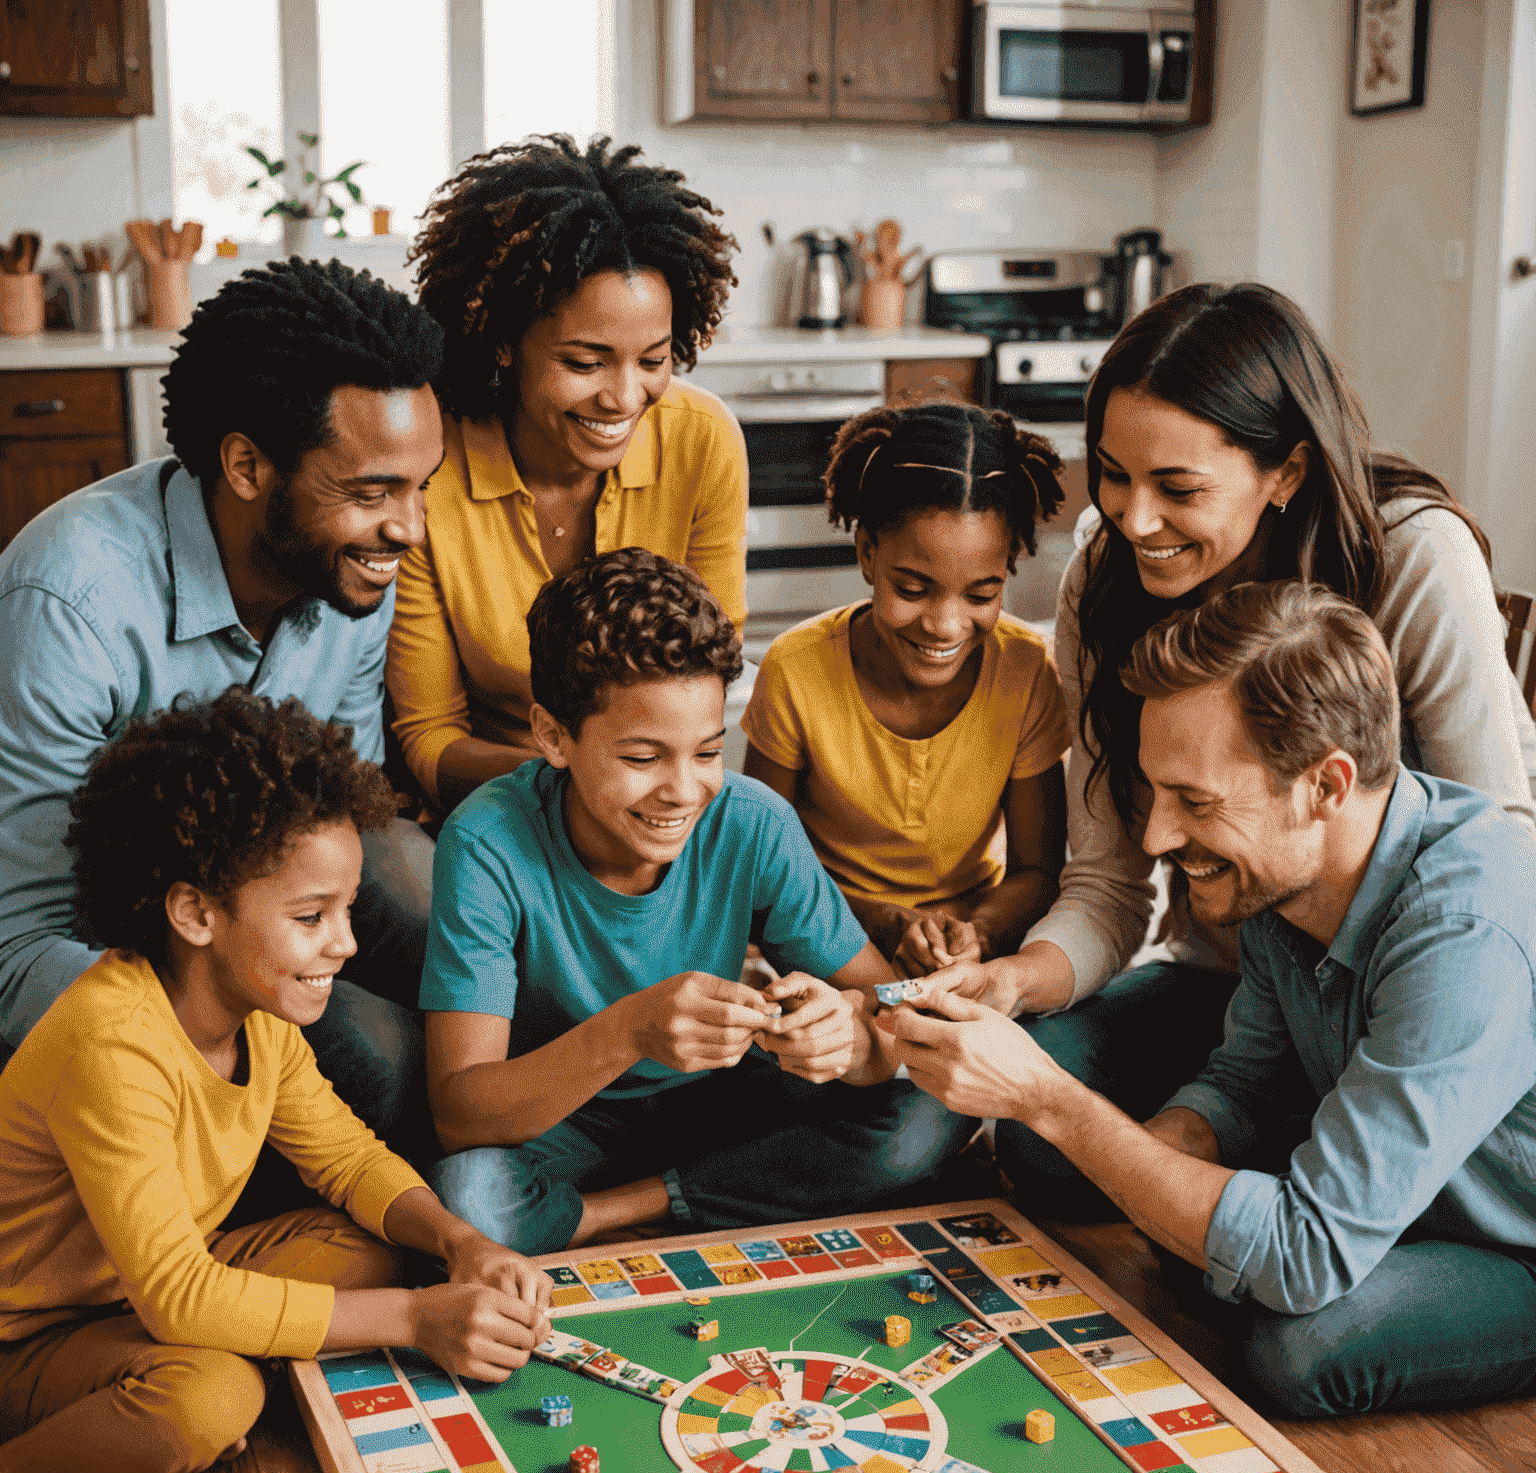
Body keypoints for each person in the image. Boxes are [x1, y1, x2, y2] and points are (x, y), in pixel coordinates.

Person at [919, 281, 1536, 1176]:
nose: (1133, 520)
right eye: (1114, 474)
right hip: (1225, 980)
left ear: (1284, 471)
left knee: (1289, 1226)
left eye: (1178, 488)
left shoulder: (1409, 557)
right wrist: (1013, 979)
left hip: (1390, 997)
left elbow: (1500, 855)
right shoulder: (1104, 574)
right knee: (1036, 1146)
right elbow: (1109, 886)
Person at [887, 581, 1536, 1418]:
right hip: (1403, 1193)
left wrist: (1050, 1102)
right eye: (1159, 793)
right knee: (1192, 1231)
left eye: (1194, 802)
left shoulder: (1465, 929)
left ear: (1326, 787)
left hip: (1512, 1242)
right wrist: (1143, 1158)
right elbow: (1244, 1085)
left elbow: (1301, 1254)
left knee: (1296, 1348)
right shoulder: (1282, 876)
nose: (1156, 837)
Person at [0, 688, 551, 1473]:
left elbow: (347, 1159)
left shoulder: (258, 1015)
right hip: (32, 1335)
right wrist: (414, 1319)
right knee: (212, 1400)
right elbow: (178, 1300)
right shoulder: (109, 1040)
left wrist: (461, 1241)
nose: (347, 944)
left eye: (344, 910)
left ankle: (252, 1360)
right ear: (196, 913)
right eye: (310, 917)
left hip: (148, 1287)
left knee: (370, 1247)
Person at [0, 257, 443, 1140]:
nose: (409, 529)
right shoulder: (70, 601)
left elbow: (346, 825)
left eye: (420, 485)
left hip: (269, 906)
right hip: (121, 947)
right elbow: (19, 945)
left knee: (444, 910)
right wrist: (221, 1020)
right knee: (382, 1055)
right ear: (245, 463)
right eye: (370, 493)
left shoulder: (355, 569)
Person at [421, 548, 973, 1254]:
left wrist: (851, 1034)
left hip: (722, 1102)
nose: (685, 791)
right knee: (466, 1200)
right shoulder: (487, 843)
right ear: (553, 736)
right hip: (565, 1121)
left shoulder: (752, 821)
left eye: (708, 752)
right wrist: (629, 1032)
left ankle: (614, 1214)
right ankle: (719, 1198)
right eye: (643, 758)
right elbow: (460, 1115)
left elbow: (897, 1015)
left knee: (932, 1111)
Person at [391, 133, 748, 812]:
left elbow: (710, 676)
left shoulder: (703, 443)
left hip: (653, 796)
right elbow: (429, 735)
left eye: (653, 359)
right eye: (584, 363)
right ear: (502, 341)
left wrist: (632, 785)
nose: (623, 398)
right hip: (491, 802)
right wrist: (580, 779)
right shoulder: (428, 467)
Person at [741, 401, 1069, 975]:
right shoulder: (797, 668)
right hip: (825, 933)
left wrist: (980, 933)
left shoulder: (1025, 670)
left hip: (966, 948)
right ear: (868, 553)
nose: (945, 625)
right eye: (914, 588)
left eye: (981, 594)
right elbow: (759, 873)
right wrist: (888, 923)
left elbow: (1036, 872)